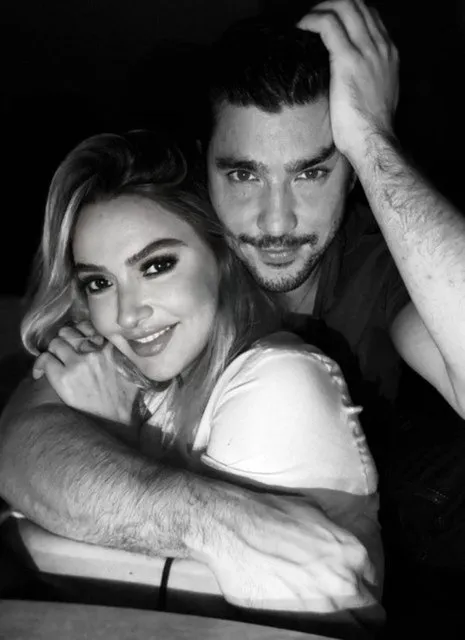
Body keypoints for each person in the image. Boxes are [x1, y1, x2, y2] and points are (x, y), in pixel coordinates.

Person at [1, 0, 465, 621]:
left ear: (352, 173)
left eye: (311, 173)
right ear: (205, 170)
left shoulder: (379, 270)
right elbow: (23, 444)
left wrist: (373, 138)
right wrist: (217, 519)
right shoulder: (150, 275)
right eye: (244, 175)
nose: (276, 221)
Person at [19, 128, 383, 636]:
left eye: (157, 265)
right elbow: (17, 443)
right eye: (99, 283)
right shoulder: (126, 372)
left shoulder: (279, 383)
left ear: (221, 258)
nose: (127, 314)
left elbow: (205, 615)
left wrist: (110, 436)